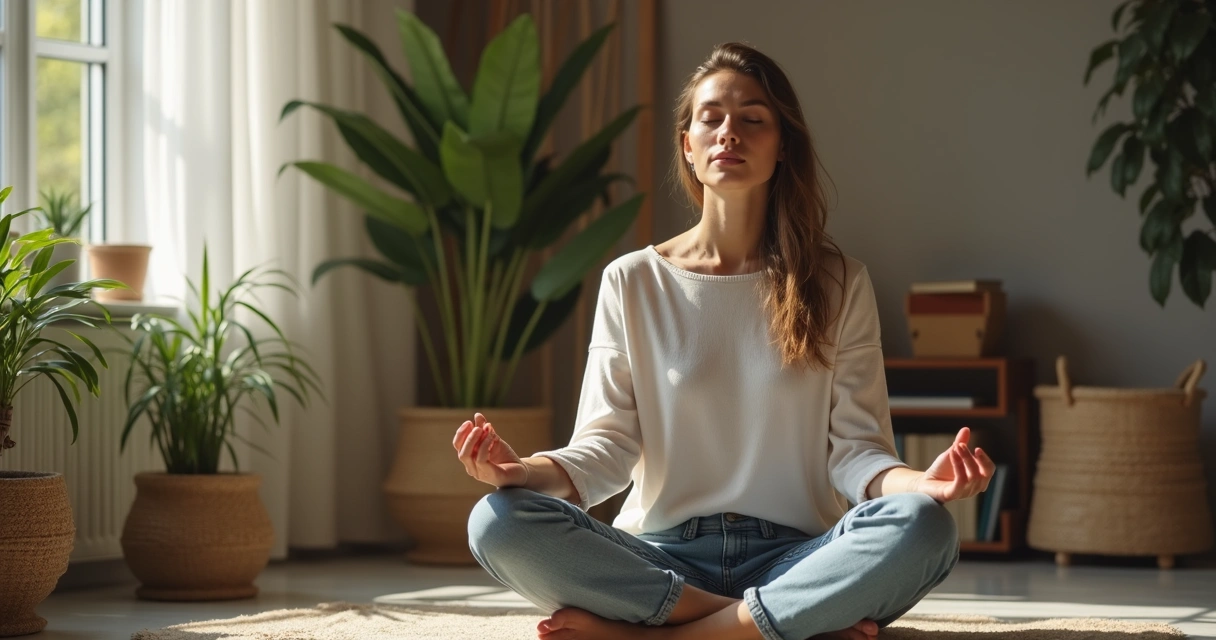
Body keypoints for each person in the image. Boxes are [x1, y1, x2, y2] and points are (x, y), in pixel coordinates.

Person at [454, 41, 994, 640]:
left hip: (798, 558)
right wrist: (522, 471)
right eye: (711, 118)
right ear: (688, 144)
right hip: (661, 561)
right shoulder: (633, 280)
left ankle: (665, 635)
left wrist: (923, 484)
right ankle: (779, 624)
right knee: (496, 521)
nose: (728, 132)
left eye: (752, 119)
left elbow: (858, 453)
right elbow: (605, 448)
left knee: (925, 526)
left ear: (782, 145)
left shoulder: (840, 282)